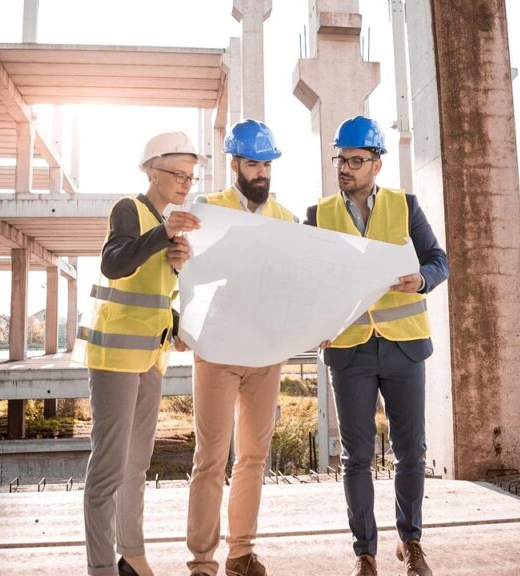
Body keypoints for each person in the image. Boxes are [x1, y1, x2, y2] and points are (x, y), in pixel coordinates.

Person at [305, 116, 449, 576]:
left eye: (355, 160)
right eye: (340, 159)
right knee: (357, 457)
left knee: (412, 451)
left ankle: (411, 543)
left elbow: (438, 260)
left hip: (403, 347)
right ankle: (364, 552)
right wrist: (315, 322)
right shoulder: (319, 214)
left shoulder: (405, 206)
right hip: (349, 350)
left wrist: (422, 279)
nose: (345, 168)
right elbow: (308, 279)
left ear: (377, 164)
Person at [80, 131, 203, 576]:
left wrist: (174, 269)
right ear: (153, 171)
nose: (186, 182)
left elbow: (152, 296)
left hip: (151, 358)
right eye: (177, 174)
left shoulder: (164, 222)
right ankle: (100, 568)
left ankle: (131, 556)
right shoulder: (128, 209)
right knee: (109, 469)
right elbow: (114, 264)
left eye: (191, 176)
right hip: (114, 359)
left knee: (135, 466)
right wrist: (162, 234)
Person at [186, 119, 298, 576]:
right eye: (253, 164)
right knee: (210, 458)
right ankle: (201, 561)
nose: (262, 173)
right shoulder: (207, 209)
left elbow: (297, 284)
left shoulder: (287, 219)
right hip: (217, 349)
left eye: (267, 165)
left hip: (266, 352)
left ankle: (240, 553)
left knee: (252, 457)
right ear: (235, 164)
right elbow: (186, 271)